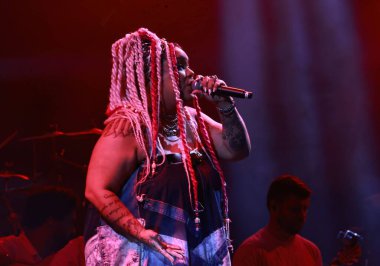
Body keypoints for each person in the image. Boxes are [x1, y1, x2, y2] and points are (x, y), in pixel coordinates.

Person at [84, 28, 251, 265]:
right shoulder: (129, 127)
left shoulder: (194, 121)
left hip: (194, 252)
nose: (190, 73)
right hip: (146, 255)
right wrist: (139, 233)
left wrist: (225, 105)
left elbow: (237, 150)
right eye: (179, 66)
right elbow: (97, 189)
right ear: (151, 76)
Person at [233, 174, 322, 266]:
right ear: (274, 207)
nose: (302, 216)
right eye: (295, 209)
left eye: (305, 209)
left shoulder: (312, 251)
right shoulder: (250, 252)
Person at [0, 186, 84, 265]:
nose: (74, 230)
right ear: (51, 221)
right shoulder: (6, 247)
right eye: (70, 222)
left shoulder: (62, 256)